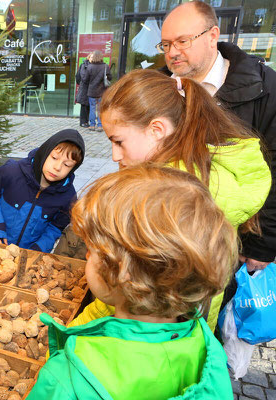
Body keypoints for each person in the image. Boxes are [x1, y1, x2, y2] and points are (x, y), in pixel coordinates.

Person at [69, 69, 271, 332]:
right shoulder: (202, 171)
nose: (114, 155)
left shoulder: (167, 195)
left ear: (156, 129)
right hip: (188, 330)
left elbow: (135, 284)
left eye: (119, 141)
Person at [27, 165, 236, 400]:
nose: (86, 255)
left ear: (122, 273)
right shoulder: (210, 351)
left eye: (92, 250)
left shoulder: (67, 378)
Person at [159, 1, 276, 274]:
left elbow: (274, 168)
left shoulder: (263, 87)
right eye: (165, 45)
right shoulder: (158, 89)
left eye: (182, 41)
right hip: (169, 240)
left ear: (212, 36)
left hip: (233, 246)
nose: (172, 52)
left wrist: (261, 244)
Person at [0, 129, 85, 253]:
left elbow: (56, 227)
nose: (57, 167)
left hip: (29, 256)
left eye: (67, 165)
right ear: (45, 152)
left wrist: (39, 248)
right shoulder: (11, 172)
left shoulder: (68, 197)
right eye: (54, 158)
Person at [81, 50, 111, 131]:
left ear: (93, 57)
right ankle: (100, 125)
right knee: (100, 109)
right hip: (102, 91)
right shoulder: (105, 66)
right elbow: (110, 78)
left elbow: (85, 79)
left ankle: (92, 125)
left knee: (92, 108)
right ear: (101, 57)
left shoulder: (90, 67)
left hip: (92, 91)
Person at [75, 53, 92, 127]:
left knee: (88, 105)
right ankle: (83, 122)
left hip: (89, 88)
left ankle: (86, 121)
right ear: (88, 58)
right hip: (85, 88)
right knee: (84, 105)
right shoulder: (84, 65)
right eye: (91, 57)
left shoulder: (91, 66)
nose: (92, 58)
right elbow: (81, 76)